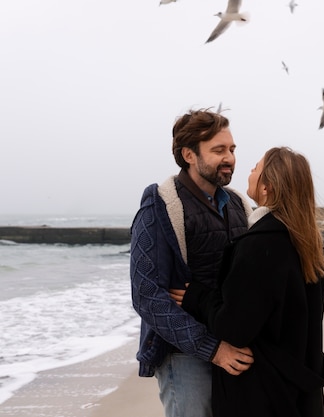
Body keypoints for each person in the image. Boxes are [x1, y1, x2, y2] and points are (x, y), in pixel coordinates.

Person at [176, 146, 324, 417]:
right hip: (301, 390)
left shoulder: (260, 245)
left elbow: (234, 328)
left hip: (262, 392)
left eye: (256, 168)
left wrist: (197, 297)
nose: (249, 171)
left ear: (267, 188)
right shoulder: (312, 245)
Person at [129, 108, 255, 417]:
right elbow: (147, 295)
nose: (230, 158)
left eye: (232, 149)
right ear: (189, 154)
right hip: (183, 354)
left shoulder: (239, 204)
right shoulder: (161, 204)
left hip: (235, 346)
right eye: (218, 150)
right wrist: (212, 349)